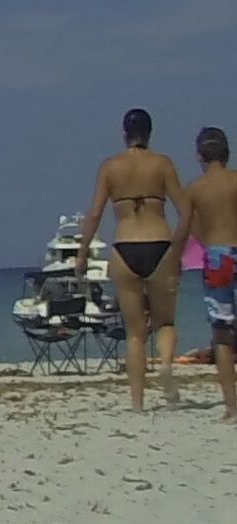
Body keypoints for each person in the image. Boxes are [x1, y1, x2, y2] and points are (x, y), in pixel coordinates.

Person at [78, 108, 190, 409]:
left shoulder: (110, 167)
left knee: (135, 334)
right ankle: (165, 366)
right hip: (159, 244)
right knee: (165, 322)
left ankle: (138, 403)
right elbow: (185, 211)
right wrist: (178, 248)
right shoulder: (162, 163)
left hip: (125, 246)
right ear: (150, 133)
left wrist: (82, 254)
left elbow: (95, 214)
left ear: (123, 133)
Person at [180, 126, 237, 420]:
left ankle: (231, 406)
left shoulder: (195, 189)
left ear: (200, 155)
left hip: (216, 257)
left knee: (222, 336)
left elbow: (189, 230)